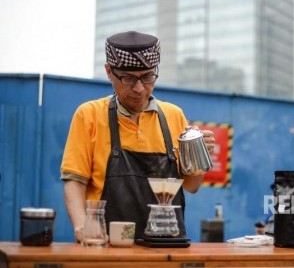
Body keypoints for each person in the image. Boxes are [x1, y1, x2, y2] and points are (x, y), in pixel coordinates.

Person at [60, 31, 215, 242]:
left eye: (148, 76)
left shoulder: (173, 115)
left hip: (167, 246)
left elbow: (192, 186)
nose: (139, 88)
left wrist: (200, 155)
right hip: (107, 247)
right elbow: (75, 182)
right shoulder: (90, 115)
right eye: (128, 78)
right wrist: (81, 226)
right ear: (109, 72)